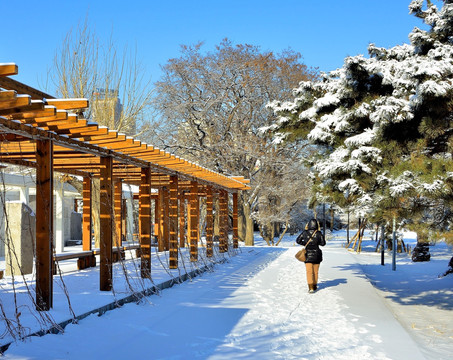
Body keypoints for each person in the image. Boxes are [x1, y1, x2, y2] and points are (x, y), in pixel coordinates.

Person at [296, 218, 326, 293]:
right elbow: (323, 243)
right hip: (317, 255)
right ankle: (315, 285)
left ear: (308, 224)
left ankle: (310, 287)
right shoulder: (319, 233)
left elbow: (298, 240)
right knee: (315, 271)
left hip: (307, 254)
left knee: (309, 271)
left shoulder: (304, 233)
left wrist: (306, 244)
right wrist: (316, 243)